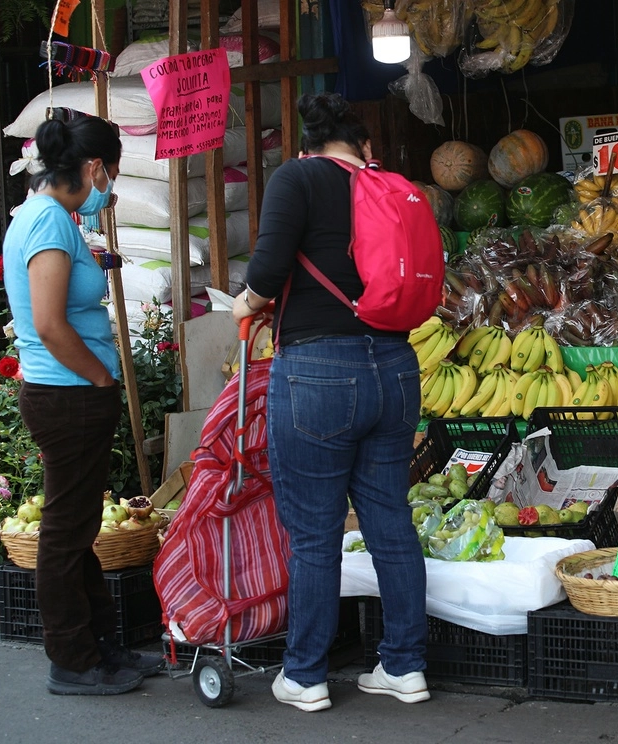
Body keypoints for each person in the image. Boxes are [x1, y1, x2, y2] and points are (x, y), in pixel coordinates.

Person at [232, 92, 429, 712]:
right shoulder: (391, 186)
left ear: (306, 147)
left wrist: (241, 305)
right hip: (396, 367)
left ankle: (306, 675)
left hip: (319, 371)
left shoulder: (297, 177)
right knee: (391, 521)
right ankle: (404, 667)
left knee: (314, 533)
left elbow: (265, 275)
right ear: (365, 149)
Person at [3, 115, 164, 695]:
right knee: (65, 537)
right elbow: (48, 324)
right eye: (113, 177)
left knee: (77, 527)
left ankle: (101, 649)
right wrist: (100, 378)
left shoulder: (50, 218)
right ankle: (73, 661)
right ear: (94, 167)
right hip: (67, 395)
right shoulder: (47, 222)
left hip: (70, 395)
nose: (111, 191)